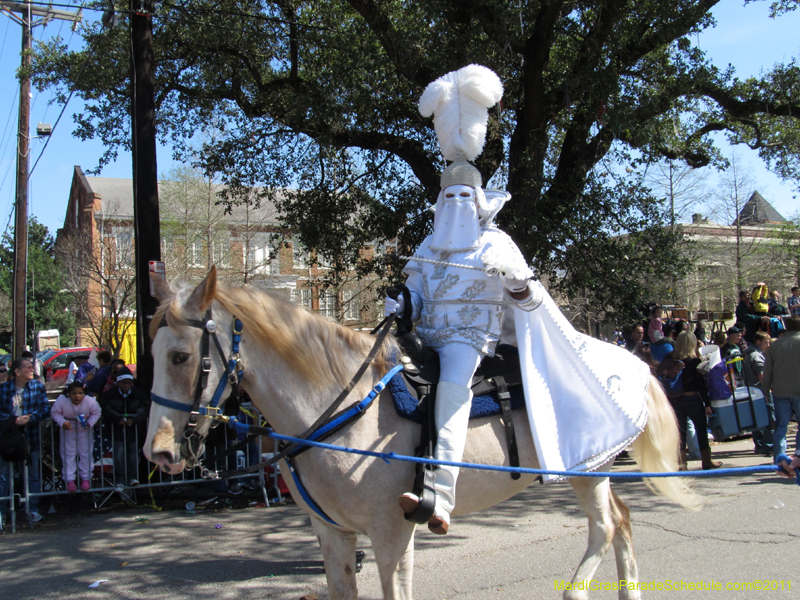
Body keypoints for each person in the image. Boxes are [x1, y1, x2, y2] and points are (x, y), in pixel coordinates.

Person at [384, 65, 543, 535]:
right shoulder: (429, 248)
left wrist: (515, 281)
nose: (455, 202)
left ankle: (441, 497)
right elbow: (415, 294)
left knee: (452, 389)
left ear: (477, 200)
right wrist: (402, 305)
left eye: (463, 195)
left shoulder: (496, 243)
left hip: (468, 339)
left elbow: (530, 299)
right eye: (447, 195)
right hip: (423, 337)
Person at [659, 331, 721, 470]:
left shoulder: (670, 357)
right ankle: (706, 461)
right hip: (692, 397)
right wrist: (707, 403)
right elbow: (701, 384)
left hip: (674, 399)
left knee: (680, 432)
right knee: (701, 429)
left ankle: (681, 464)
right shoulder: (694, 361)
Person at [0, 358, 50, 522]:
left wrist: (30, 418)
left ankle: (32, 510)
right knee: (4, 477)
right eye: (28, 368)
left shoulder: (37, 387)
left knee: (32, 476)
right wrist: (14, 420)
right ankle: (2, 512)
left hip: (30, 439)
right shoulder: (4, 389)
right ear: (17, 372)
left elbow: (44, 408)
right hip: (8, 439)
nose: (32, 371)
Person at [100, 367, 150, 491]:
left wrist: (134, 420)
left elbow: (144, 408)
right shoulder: (109, 395)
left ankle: (133, 477)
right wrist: (118, 419)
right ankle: (119, 479)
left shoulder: (139, 394)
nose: (126, 385)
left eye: (129, 383)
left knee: (132, 454)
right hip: (116, 431)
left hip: (133, 431)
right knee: (118, 454)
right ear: (118, 383)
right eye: (124, 383)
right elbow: (106, 409)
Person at [51, 381, 102, 492]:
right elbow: (55, 412)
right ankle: (69, 480)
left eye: (80, 393)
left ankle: (86, 478)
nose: (77, 396)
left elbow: (97, 412)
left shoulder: (90, 401)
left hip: (84, 430)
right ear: (68, 393)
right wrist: (62, 422)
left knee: (86, 453)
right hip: (68, 431)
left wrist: (90, 422)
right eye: (74, 393)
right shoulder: (61, 401)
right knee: (68, 454)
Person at [761, 317, 800, 460]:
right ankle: (799, 456)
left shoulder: (775, 346)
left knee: (781, 426)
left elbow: (768, 370)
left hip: (780, 390)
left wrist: (765, 390)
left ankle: (779, 457)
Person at [743, 331, 774, 456]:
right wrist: (767, 389)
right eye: (766, 342)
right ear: (758, 342)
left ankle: (759, 445)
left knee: (756, 419)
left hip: (752, 391)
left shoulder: (748, 354)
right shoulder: (756, 356)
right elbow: (761, 374)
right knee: (768, 419)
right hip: (761, 391)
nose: (768, 345)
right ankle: (768, 446)